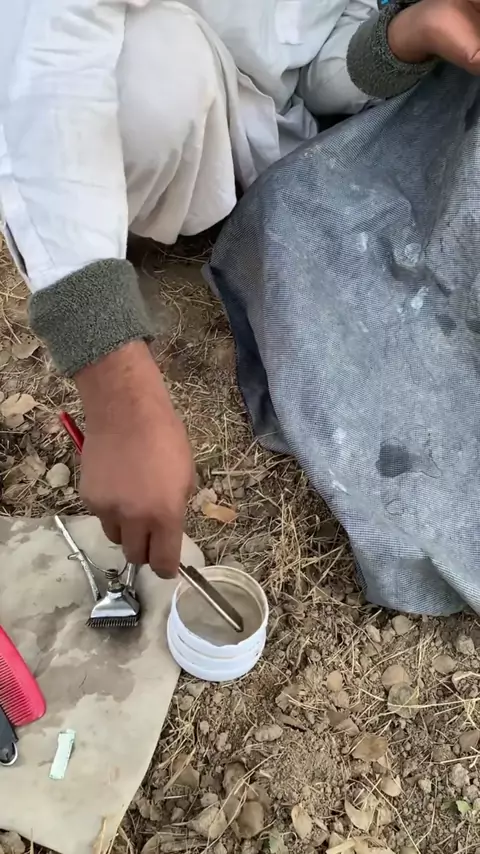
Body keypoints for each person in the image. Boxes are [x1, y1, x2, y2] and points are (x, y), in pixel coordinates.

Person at [1, 0, 479, 581]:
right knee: (155, 81)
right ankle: (115, 228)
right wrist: (117, 393)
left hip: (264, 136)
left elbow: (309, 63)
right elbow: (45, 44)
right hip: (142, 84)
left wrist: (408, 32)